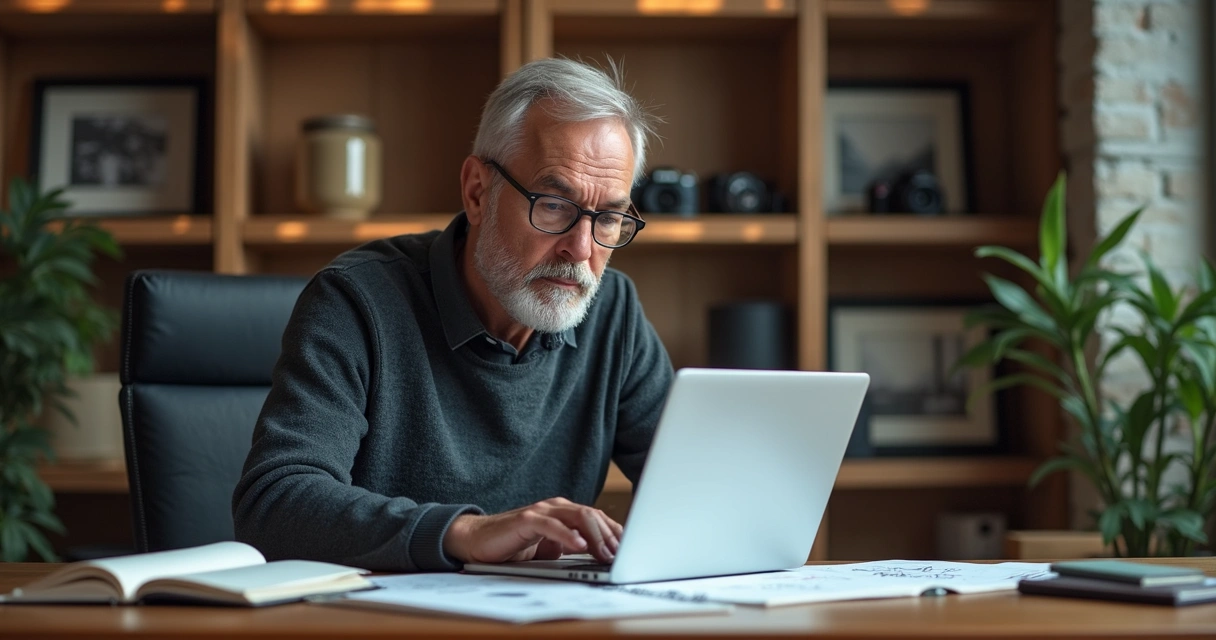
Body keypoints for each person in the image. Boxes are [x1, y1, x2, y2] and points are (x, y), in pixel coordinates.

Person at [232, 58, 674, 573]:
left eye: (610, 217)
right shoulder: (356, 301)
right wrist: (464, 532)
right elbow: (273, 504)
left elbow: (697, 485)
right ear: (478, 193)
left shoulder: (613, 312)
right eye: (554, 204)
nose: (580, 249)